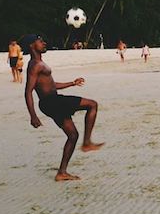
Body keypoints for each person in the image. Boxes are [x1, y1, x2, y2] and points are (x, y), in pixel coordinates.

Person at [21, 34, 104, 181]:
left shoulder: (39, 63)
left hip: (51, 102)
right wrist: (32, 116)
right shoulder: (35, 65)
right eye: (40, 41)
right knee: (92, 104)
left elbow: (51, 86)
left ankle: (62, 173)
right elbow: (28, 91)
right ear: (32, 46)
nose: (44, 43)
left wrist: (72, 83)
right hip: (51, 101)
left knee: (72, 135)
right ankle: (87, 143)